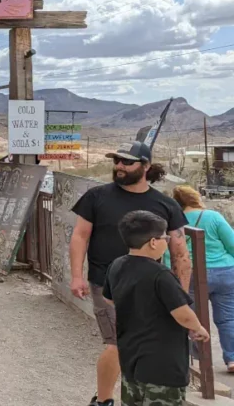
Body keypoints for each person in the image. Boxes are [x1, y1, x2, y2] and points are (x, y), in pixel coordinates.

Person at [69, 141, 191, 406]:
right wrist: (77, 275)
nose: (119, 166)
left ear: (146, 167)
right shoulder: (96, 196)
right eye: (116, 161)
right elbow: (80, 236)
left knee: (142, 344)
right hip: (106, 283)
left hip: (153, 289)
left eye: (127, 162)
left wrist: (180, 293)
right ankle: (103, 401)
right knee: (116, 344)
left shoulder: (165, 204)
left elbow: (180, 252)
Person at [103, 210, 210, 405]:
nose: (167, 242)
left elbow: (110, 299)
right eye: (165, 238)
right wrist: (197, 328)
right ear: (153, 242)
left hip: (130, 359)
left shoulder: (116, 265)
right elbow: (182, 313)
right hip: (163, 366)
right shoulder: (161, 275)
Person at [172, 185, 234, 371]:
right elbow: (232, 244)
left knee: (193, 318)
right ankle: (232, 358)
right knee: (228, 318)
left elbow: (172, 254)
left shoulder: (175, 222)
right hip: (224, 272)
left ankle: (199, 362)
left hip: (190, 274)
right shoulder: (214, 217)